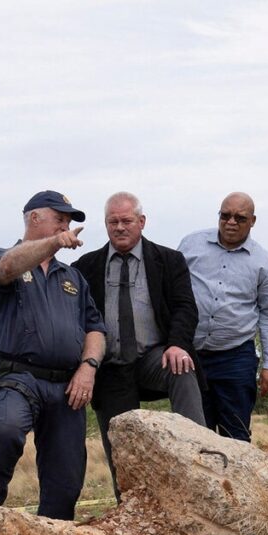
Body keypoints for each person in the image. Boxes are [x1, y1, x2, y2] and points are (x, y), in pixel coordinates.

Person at [0, 192, 108, 521]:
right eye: (59, 218)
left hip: (67, 385)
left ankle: (53, 534)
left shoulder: (73, 277)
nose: (66, 226)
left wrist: (89, 367)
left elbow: (95, 329)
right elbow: (8, 267)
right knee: (5, 431)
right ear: (34, 218)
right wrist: (54, 243)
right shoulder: (1, 258)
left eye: (69, 221)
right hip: (18, 378)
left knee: (67, 477)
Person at [75, 194, 207, 467]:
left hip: (154, 357)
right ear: (105, 224)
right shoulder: (84, 267)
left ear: (142, 221)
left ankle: (200, 455)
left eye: (126, 221)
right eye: (113, 222)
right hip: (110, 366)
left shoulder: (169, 260)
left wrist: (177, 344)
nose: (120, 227)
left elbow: (185, 307)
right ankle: (126, 493)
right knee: (123, 458)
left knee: (182, 368)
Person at [180, 194, 268, 441]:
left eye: (240, 218)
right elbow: (172, 291)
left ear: (252, 221)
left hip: (235, 357)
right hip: (191, 355)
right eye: (225, 215)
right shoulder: (190, 245)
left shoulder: (265, 263)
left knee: (236, 434)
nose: (231, 222)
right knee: (194, 434)